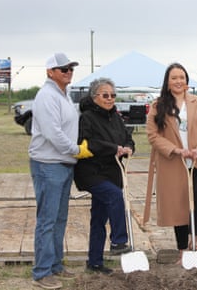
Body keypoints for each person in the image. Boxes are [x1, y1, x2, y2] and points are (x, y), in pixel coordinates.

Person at [29, 53, 92, 289]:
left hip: (63, 164)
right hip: (49, 164)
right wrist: (75, 149)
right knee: (47, 220)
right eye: (63, 69)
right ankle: (42, 272)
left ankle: (55, 265)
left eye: (71, 68)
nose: (68, 72)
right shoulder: (47, 96)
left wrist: (73, 152)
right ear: (50, 72)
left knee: (59, 218)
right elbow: (52, 133)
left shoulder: (63, 95)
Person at [145, 63, 197, 264]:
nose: (178, 81)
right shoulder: (158, 106)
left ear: (187, 82)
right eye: (174, 78)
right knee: (179, 204)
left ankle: (196, 242)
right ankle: (183, 249)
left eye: (182, 77)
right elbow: (152, 135)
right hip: (174, 163)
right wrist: (176, 150)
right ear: (167, 82)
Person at [74, 77, 135, 275]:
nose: (110, 99)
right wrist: (114, 148)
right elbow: (88, 143)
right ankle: (119, 241)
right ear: (94, 97)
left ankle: (95, 262)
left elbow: (128, 138)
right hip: (91, 172)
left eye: (113, 95)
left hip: (112, 171)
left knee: (99, 217)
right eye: (105, 95)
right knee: (115, 196)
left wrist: (128, 148)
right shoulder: (87, 117)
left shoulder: (116, 117)